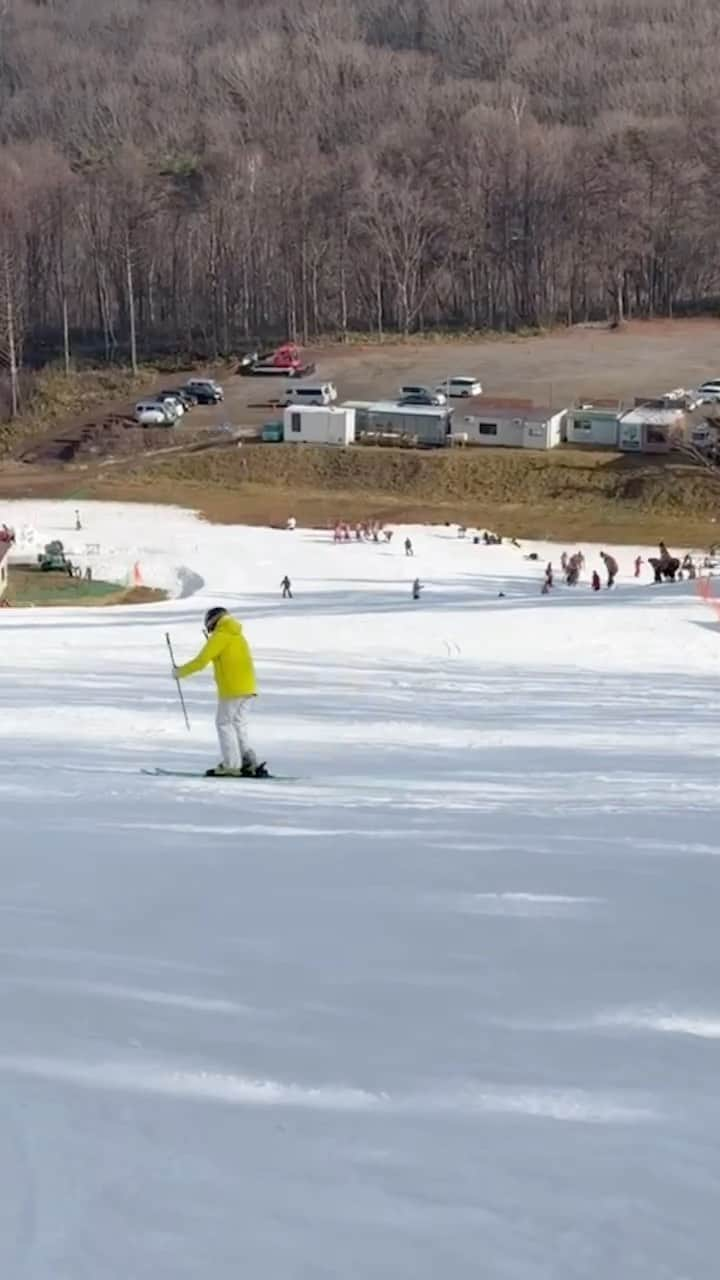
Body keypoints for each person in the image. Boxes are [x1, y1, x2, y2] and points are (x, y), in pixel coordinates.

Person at [173, 607, 266, 778]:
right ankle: (248, 762)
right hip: (249, 688)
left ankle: (231, 765)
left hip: (233, 688)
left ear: (212, 622)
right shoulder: (238, 635)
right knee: (239, 724)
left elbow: (201, 661)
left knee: (224, 723)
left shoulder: (220, 636)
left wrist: (180, 672)